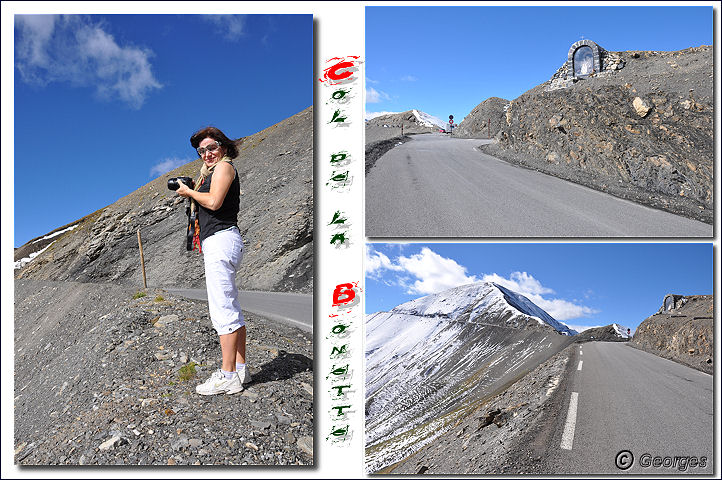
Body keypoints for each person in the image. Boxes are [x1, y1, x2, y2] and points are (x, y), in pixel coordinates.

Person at [175, 126, 250, 395]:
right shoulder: (213, 171)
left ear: (224, 147)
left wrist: (190, 193)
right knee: (230, 305)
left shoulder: (224, 168)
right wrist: (194, 190)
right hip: (221, 240)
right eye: (201, 150)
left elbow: (215, 201)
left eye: (212, 147)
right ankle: (240, 368)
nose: (207, 153)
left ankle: (228, 375)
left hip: (221, 239)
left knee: (222, 309)